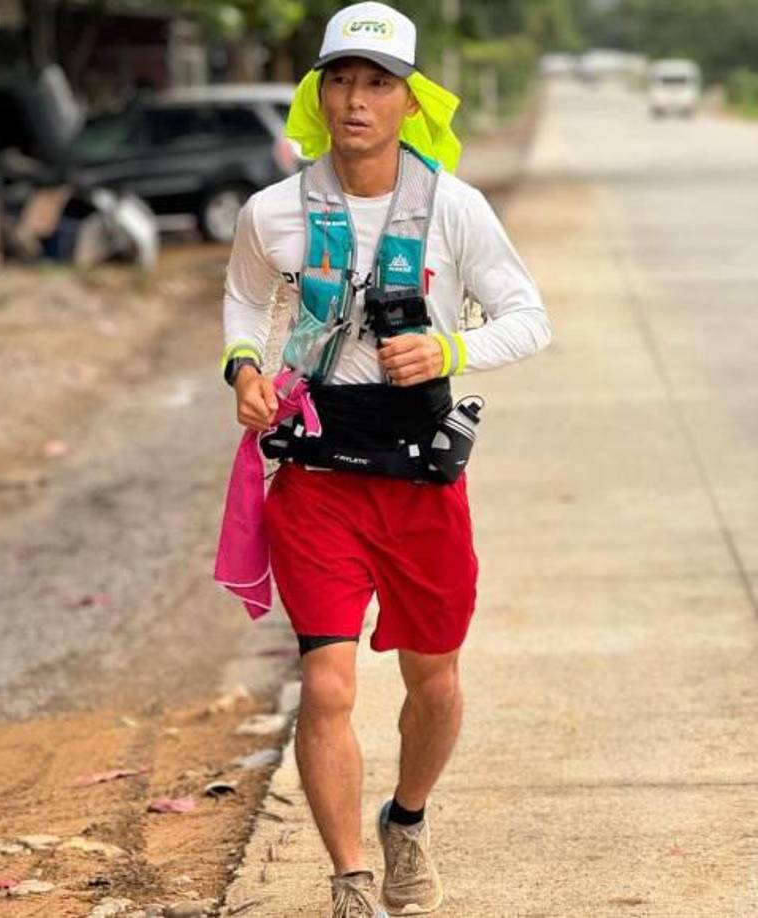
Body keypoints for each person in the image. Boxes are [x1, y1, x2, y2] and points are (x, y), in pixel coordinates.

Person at [220, 3, 552, 915]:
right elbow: (247, 305)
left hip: (419, 478)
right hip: (317, 477)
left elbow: (530, 318)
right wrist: (243, 365)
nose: (355, 100)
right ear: (317, 93)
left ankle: (404, 820)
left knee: (433, 676)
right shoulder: (272, 211)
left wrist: (451, 352)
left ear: (411, 103)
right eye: (340, 80)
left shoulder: (456, 208)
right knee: (324, 681)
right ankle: (349, 880)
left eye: (377, 84)